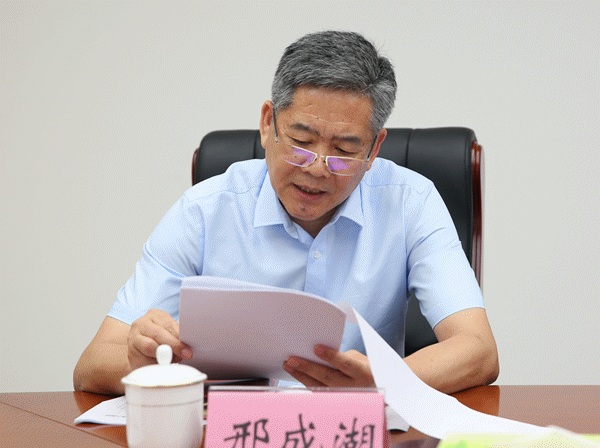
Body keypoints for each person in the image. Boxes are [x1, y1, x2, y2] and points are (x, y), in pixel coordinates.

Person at [74, 31, 499, 396]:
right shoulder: (204, 212)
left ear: (374, 150)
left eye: (344, 150)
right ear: (267, 124)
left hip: (355, 430)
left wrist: (386, 381)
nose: (317, 167)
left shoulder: (411, 202)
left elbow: (478, 350)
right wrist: (139, 361)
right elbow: (91, 365)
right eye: (302, 141)